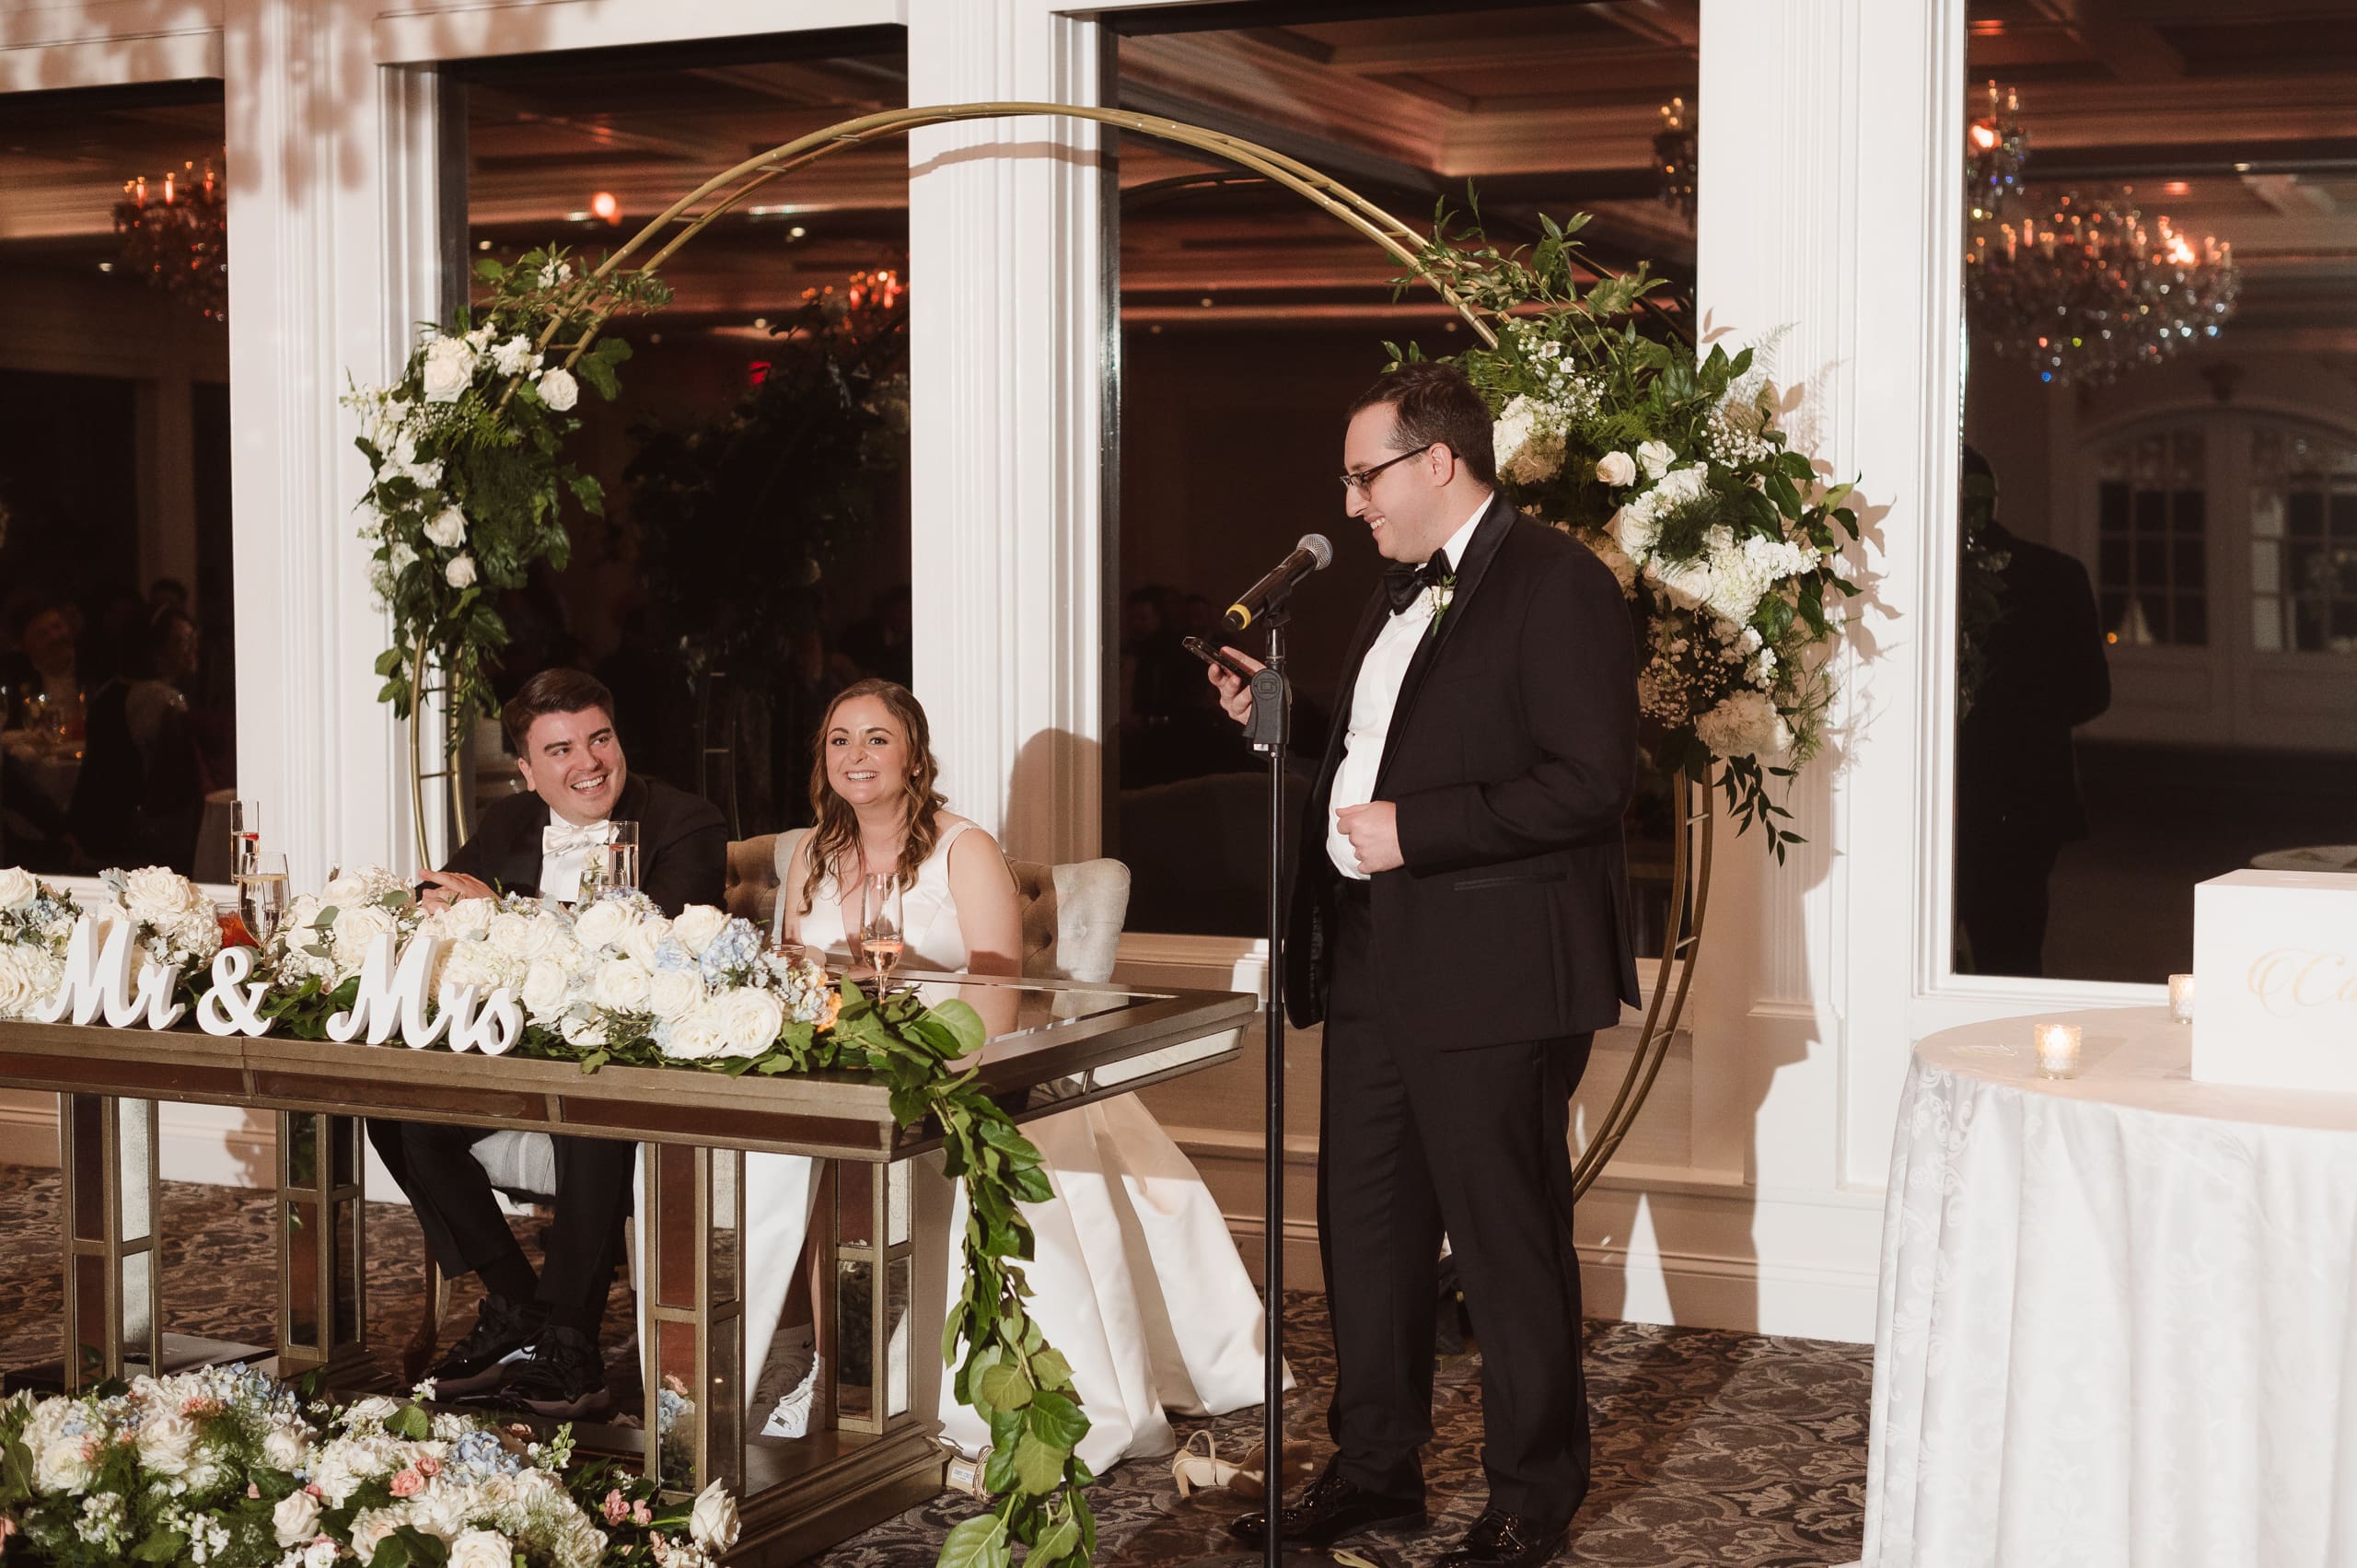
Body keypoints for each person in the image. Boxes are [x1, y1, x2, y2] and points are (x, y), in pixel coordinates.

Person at [1208, 362, 1637, 1568]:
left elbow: (1592, 780)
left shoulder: (1558, 580)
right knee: (1367, 1229)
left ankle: (1531, 1495)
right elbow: (1391, 746)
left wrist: (1420, 828)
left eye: (1366, 476)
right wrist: (1282, 716)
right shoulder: (1396, 590)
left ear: (1439, 459)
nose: (1351, 504)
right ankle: (1375, 1465)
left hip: (1498, 971)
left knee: (1505, 1242)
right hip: (1372, 956)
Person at [735, 679, 1279, 1470]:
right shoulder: (813, 852)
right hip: (847, 1066)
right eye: (840, 740)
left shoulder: (965, 847)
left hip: (963, 1060)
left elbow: (997, 990)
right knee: (803, 1156)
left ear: (914, 756)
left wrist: (935, 1072)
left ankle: (964, 1382)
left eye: (878, 738)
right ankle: (835, 1370)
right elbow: (795, 977)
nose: (857, 755)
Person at [366, 667, 727, 1418]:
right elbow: (441, 898)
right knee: (396, 1111)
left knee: (589, 1113)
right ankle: (518, 1306)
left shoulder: (684, 823)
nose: (588, 762)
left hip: (625, 1066)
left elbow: (660, 951)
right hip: (511, 1055)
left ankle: (570, 1347)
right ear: (528, 771)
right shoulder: (508, 821)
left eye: (600, 738)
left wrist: (505, 912)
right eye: (560, 750)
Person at [1954, 446, 2110, 976]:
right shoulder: (2057, 575)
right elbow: (2092, 695)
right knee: (2011, 959)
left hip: (1956, 798)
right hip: (2026, 802)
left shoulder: (1911, 579)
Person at [67, 610, 208, 872]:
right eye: (180, 640)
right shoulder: (161, 700)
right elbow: (172, 782)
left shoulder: (109, 689)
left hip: (92, 821)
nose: (191, 648)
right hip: (129, 832)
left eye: (192, 638)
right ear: (156, 649)